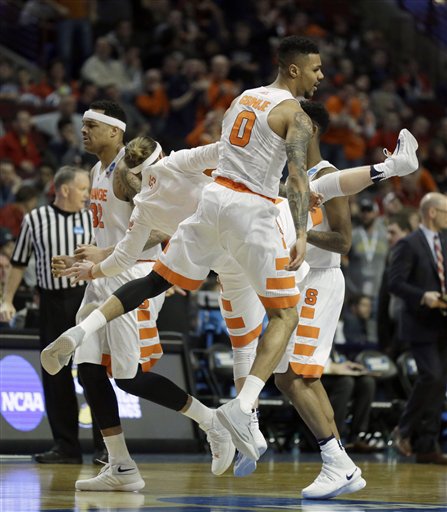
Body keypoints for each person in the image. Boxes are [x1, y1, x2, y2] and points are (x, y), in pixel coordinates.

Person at [44, 36, 322, 466]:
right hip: (250, 223)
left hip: (211, 222)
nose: (320, 75)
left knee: (209, 325)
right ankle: (242, 411)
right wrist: (300, 223)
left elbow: (131, 249)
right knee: (269, 324)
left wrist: (97, 264)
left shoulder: (238, 104)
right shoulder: (178, 162)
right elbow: (256, 163)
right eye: (316, 68)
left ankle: (230, 421)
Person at [48, 100, 234, 492]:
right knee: (89, 370)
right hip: (105, 276)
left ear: (115, 131)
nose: (83, 131)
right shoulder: (98, 170)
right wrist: (88, 256)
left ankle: (211, 420)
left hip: (135, 276)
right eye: (82, 124)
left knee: (129, 378)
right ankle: (120, 465)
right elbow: (114, 234)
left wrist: (106, 256)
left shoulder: (133, 174)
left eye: (92, 125)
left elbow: (167, 230)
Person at [0, 165, 105, 464]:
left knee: (92, 371)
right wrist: (6, 299)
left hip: (87, 301)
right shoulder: (36, 218)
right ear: (65, 189)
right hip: (51, 302)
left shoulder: (93, 217)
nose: (87, 195)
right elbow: (19, 263)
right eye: (83, 189)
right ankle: (66, 447)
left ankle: (105, 447)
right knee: (55, 375)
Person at [388, 192, 447, 465]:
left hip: (442, 322)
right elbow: (395, 283)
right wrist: (423, 296)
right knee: (431, 377)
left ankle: (426, 445)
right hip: (419, 323)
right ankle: (404, 428)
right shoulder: (408, 244)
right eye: (445, 211)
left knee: (439, 382)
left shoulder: (445, 242)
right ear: (432, 212)